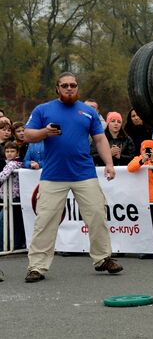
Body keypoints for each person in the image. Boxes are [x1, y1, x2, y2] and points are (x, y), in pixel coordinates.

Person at [23, 71, 123, 283]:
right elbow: (27, 135)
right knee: (45, 221)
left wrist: (109, 164)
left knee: (97, 214)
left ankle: (102, 258)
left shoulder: (88, 112)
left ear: (78, 88)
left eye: (73, 85)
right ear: (57, 88)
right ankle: (37, 267)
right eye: (65, 85)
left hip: (84, 173)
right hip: (53, 175)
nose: (69, 88)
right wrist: (44, 132)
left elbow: (99, 140)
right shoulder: (43, 110)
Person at [127, 139, 153, 258]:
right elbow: (130, 168)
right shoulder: (137, 159)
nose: (148, 151)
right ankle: (143, 246)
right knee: (142, 224)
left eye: (150, 149)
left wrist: (152, 159)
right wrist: (143, 159)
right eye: (145, 149)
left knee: (152, 224)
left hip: (152, 198)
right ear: (141, 149)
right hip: (140, 198)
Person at [0, 141, 25, 250]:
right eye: (7, 151)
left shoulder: (13, 163)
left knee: (3, 220)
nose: (9, 153)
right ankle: (16, 244)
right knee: (17, 221)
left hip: (12, 197)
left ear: (17, 152)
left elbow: (2, 176)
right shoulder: (10, 163)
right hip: (10, 197)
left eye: (12, 151)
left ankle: (3, 245)